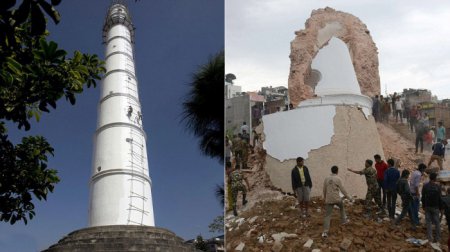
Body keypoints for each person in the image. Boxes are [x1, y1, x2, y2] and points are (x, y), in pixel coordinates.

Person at [321, 165, 351, 238]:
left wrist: (325, 198)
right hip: (337, 199)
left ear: (331, 171)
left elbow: (324, 189)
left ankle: (325, 232)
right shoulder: (338, 179)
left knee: (327, 215)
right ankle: (344, 220)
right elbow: (343, 189)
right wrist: (349, 197)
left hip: (329, 199)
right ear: (337, 171)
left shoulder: (326, 179)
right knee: (342, 207)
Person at [421, 172, 442, 244]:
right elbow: (440, 198)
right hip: (436, 207)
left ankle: (430, 238)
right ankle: (438, 238)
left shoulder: (425, 186)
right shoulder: (438, 187)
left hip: (427, 206)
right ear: (435, 178)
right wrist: (440, 207)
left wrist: (423, 205)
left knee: (428, 222)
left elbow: (423, 197)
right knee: (437, 223)